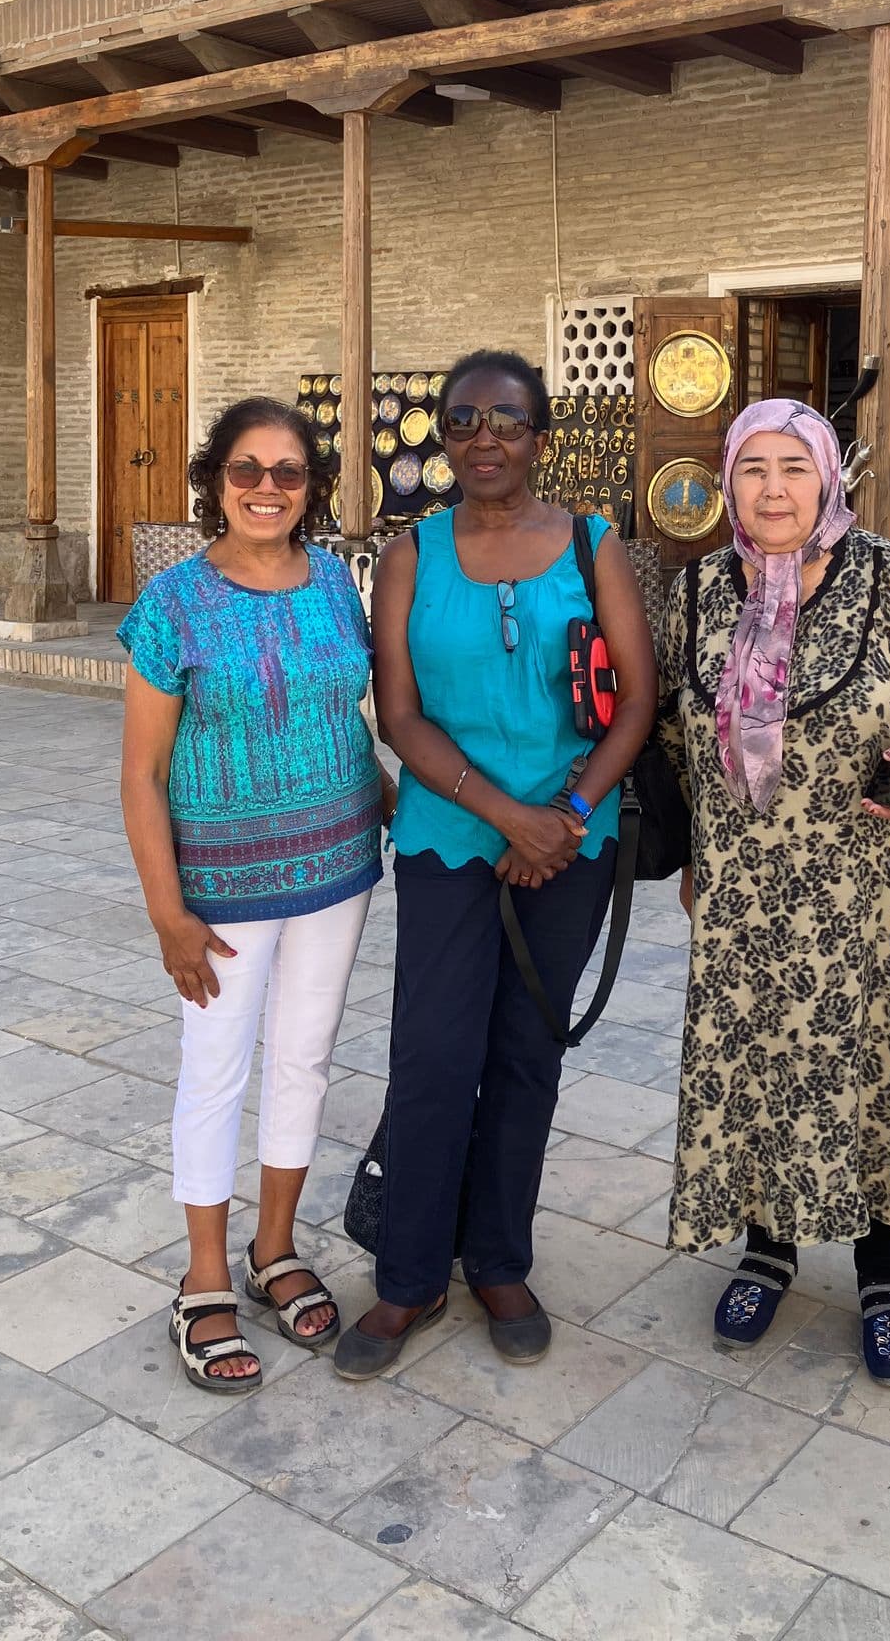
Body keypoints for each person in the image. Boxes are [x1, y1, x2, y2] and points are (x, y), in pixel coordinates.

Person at [659, 398, 890, 1385]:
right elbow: (683, 735)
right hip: (746, 897)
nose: (773, 488)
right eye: (754, 468)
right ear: (728, 481)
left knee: (873, 1071)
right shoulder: (696, 591)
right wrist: (694, 846)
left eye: (794, 467)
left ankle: (885, 1273)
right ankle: (768, 1246)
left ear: (827, 478)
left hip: (870, 895)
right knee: (764, 1059)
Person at [337, 349, 656, 1379]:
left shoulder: (595, 542)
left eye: (506, 420)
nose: (483, 437)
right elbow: (400, 713)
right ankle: (408, 1273)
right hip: (449, 835)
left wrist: (559, 814)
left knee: (527, 1051)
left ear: (539, 437)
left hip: (570, 839)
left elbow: (638, 702)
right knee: (434, 1054)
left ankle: (500, 1259)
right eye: (464, 419)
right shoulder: (409, 556)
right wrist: (506, 815)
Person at [119, 395, 390, 1393]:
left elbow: (347, 712)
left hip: (338, 865)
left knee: (305, 1056)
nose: (267, 486)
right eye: (247, 468)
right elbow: (141, 771)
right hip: (220, 887)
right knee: (216, 1067)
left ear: (312, 487)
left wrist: (399, 793)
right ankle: (202, 1276)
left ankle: (273, 1247)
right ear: (214, 483)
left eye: (288, 470)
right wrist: (166, 911)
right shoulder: (171, 603)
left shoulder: (335, 585)